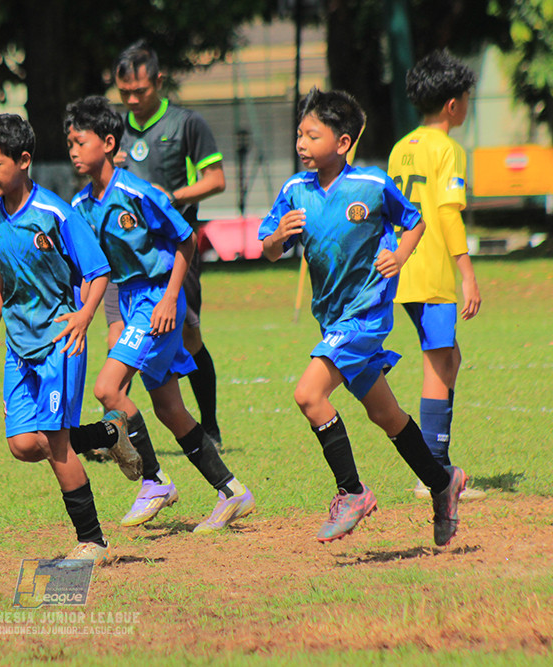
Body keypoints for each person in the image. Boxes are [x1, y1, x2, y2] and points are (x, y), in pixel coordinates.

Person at [258, 88, 466, 546]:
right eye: (299, 134)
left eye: (313, 135)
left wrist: (400, 256)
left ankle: (352, 492)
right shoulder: (295, 191)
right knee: (385, 414)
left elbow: (415, 221)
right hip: (333, 321)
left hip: (364, 317)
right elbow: (269, 248)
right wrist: (276, 238)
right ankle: (442, 482)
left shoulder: (371, 185)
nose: (301, 143)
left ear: (343, 142)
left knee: (309, 394)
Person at [64, 95, 254, 533]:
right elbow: (89, 269)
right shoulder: (81, 207)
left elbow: (186, 240)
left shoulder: (138, 192)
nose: (73, 151)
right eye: (69, 143)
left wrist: (170, 298)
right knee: (169, 408)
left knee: (108, 388)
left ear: (108, 143)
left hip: (157, 298)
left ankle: (154, 480)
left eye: (80, 141)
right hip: (130, 299)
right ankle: (232, 490)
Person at [0, 113, 133, 565]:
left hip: (60, 342)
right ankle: (107, 432)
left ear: (23, 160)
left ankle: (94, 542)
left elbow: (98, 271)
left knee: (55, 441)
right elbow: (6, 274)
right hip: (20, 345)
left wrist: (84, 316)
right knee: (23, 445)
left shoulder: (55, 213)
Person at [111, 39, 227, 444]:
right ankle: (115, 435)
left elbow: (216, 180)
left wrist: (169, 197)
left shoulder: (186, 123)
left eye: (139, 91)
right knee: (118, 337)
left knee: (189, 337)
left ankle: (209, 426)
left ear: (158, 82)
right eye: (124, 92)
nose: (132, 100)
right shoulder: (114, 131)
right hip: (125, 254)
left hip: (175, 250)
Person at [387, 50, 485, 501]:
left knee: (449, 358)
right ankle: (435, 473)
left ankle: (436, 466)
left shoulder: (401, 148)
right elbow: (447, 214)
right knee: (439, 362)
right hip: (431, 271)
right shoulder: (448, 150)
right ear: (452, 104)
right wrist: (467, 274)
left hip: (403, 269)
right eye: (466, 98)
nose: (467, 105)